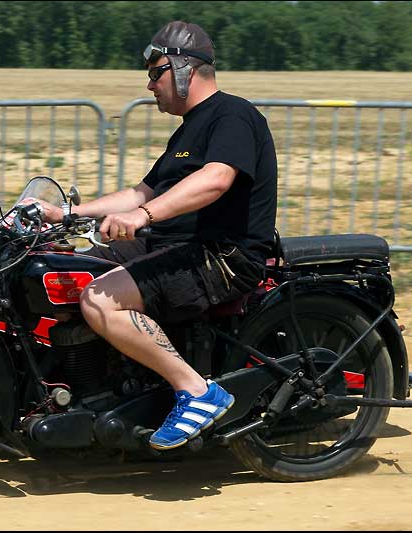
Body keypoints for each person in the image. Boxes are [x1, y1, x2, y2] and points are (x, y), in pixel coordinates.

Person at [40, 21, 278, 450]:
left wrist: (143, 215)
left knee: (99, 298)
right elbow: (141, 191)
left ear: (183, 67)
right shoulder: (189, 128)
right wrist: (64, 213)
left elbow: (216, 179)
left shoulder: (233, 115)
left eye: (156, 73)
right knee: (68, 270)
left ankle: (198, 393)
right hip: (176, 246)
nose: (149, 85)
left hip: (220, 256)